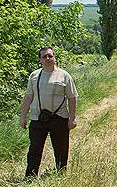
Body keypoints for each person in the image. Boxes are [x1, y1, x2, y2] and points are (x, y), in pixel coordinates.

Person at [20, 46, 78, 178]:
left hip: (59, 118)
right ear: (40, 60)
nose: (47, 59)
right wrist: (23, 117)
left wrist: (72, 118)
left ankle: (60, 174)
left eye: (50, 56)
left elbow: (72, 97)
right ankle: (30, 177)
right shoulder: (34, 76)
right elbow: (29, 96)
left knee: (61, 149)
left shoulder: (64, 76)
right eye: (44, 56)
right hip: (37, 118)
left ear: (54, 58)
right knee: (34, 149)